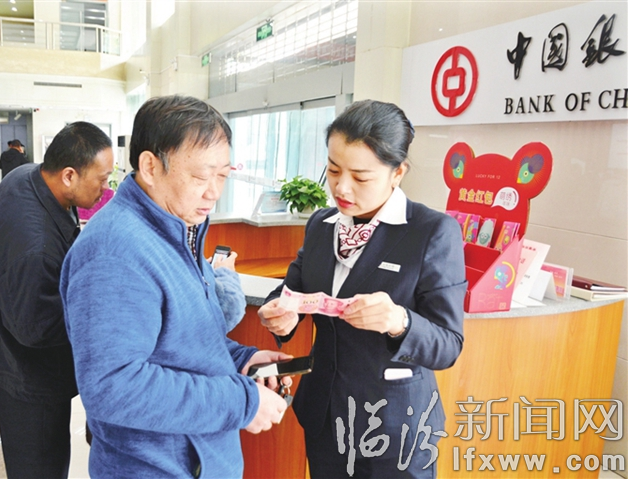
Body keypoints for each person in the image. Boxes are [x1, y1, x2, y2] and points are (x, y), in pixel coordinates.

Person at [59, 95, 291, 478]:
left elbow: (182, 340)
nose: (213, 192)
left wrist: (241, 360)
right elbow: (112, 386)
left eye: (222, 176)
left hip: (198, 458)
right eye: (200, 177)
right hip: (157, 466)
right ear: (150, 166)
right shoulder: (114, 251)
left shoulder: (178, 227)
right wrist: (241, 402)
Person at [258, 100, 467, 478]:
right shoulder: (322, 224)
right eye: (333, 170)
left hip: (395, 426)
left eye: (361, 177)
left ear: (397, 172)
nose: (342, 187)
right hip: (326, 417)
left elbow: (449, 344)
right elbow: (292, 290)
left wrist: (399, 321)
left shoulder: (431, 231)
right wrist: (279, 314)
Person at [0, 122, 114, 479]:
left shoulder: (25, 176)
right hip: (27, 373)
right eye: (101, 179)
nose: (106, 187)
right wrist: (103, 311)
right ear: (69, 175)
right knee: (40, 464)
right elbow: (34, 327)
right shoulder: (34, 247)